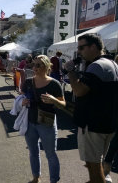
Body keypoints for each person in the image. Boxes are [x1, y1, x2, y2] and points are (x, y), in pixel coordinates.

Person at [65, 34, 118, 183]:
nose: (79, 51)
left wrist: (70, 71)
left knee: (95, 169)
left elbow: (79, 91)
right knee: (94, 164)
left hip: (93, 125)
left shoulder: (97, 66)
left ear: (93, 47)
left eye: (81, 47)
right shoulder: (112, 64)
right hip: (107, 124)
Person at [21, 55, 66, 183]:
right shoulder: (28, 82)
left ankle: (53, 180)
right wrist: (22, 102)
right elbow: (21, 98)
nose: (35, 67)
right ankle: (36, 178)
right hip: (30, 122)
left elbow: (63, 105)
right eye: (34, 64)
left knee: (51, 154)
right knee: (33, 152)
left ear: (47, 66)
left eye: (38, 65)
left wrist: (54, 100)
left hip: (47, 122)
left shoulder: (54, 84)